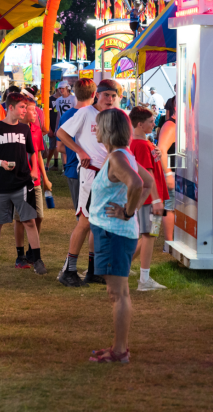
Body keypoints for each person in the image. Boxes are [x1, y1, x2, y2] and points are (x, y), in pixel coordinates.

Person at [87, 108, 153, 363]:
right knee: (118, 292)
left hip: (113, 233)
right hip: (113, 232)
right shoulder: (120, 155)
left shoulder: (117, 157)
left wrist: (128, 211)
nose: (95, 130)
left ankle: (119, 352)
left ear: (107, 130)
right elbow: (146, 182)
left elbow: (137, 183)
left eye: (98, 126)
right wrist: (131, 210)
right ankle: (119, 347)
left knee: (118, 294)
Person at [56, 79, 122, 287]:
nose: (110, 99)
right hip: (91, 173)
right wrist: (80, 151)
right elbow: (61, 133)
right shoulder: (85, 113)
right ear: (97, 95)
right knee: (85, 222)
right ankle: (69, 270)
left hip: (108, 175)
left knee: (99, 224)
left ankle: (93, 270)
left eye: (113, 96)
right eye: (106, 95)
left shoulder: (115, 116)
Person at [0, 93, 46, 274]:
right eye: (22, 107)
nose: (25, 111)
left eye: (26, 107)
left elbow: (33, 151)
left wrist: (34, 170)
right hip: (0, 184)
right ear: (10, 108)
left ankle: (38, 260)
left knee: (29, 221)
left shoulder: (24, 130)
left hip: (22, 183)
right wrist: (0, 162)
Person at [129, 107, 168, 290]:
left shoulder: (141, 143)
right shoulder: (142, 145)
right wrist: (156, 200)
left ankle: (124, 266)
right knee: (150, 234)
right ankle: (144, 279)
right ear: (140, 124)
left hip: (149, 198)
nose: (154, 124)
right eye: (151, 122)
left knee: (147, 235)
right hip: (151, 199)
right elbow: (148, 175)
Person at [12, 97, 51, 267]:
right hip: (20, 180)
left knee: (39, 217)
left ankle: (31, 251)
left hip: (35, 181)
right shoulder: (14, 130)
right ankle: (20, 255)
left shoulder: (35, 129)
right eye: (33, 110)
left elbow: (39, 155)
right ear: (23, 111)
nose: (36, 113)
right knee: (20, 219)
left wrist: (45, 178)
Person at [58, 79, 96, 211]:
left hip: (74, 168)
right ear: (94, 94)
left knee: (83, 215)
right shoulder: (94, 114)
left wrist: (73, 150)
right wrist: (81, 151)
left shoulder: (66, 115)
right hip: (89, 168)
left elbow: (59, 146)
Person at [157, 103, 176, 248]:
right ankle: (168, 243)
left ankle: (170, 243)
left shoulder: (177, 125)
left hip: (179, 171)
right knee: (170, 207)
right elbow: (161, 150)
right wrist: (168, 174)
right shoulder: (171, 125)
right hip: (173, 171)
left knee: (172, 207)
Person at [46, 86, 62, 170]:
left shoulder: (65, 99)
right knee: (52, 147)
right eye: (61, 89)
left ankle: (56, 164)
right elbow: (47, 114)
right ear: (57, 89)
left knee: (59, 146)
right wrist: (49, 128)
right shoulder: (50, 99)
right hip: (52, 125)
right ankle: (47, 164)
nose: (62, 91)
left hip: (61, 126)